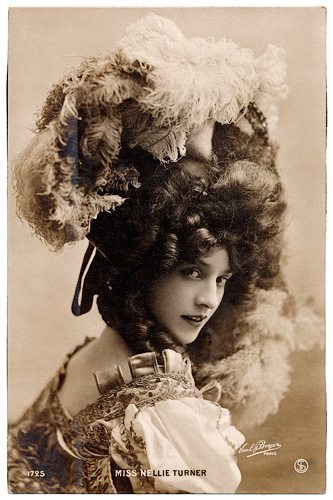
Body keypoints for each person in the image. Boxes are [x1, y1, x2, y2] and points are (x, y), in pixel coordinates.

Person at [8, 13, 323, 494]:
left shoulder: (95, 355)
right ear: (143, 265)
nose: (208, 300)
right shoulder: (164, 405)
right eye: (192, 271)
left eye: (221, 279)